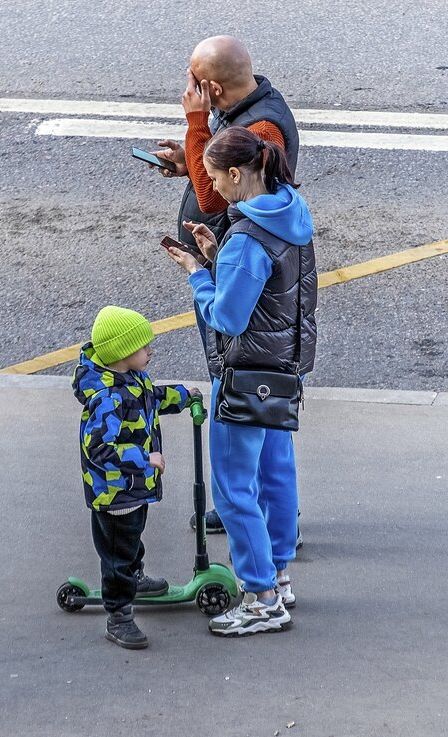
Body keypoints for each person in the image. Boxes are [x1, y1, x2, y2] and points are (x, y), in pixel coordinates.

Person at [164, 126, 317, 637]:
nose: (211, 189)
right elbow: (273, 292)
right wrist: (217, 256)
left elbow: (227, 317)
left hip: (245, 374)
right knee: (276, 475)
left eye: (212, 177)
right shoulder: (291, 214)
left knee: (233, 490)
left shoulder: (245, 239)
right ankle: (278, 572)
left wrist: (197, 271)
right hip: (283, 368)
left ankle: (261, 598)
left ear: (236, 174)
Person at [152, 35, 302, 539]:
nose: (192, 91)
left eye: (196, 84)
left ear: (212, 86)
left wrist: (202, 272)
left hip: (243, 299)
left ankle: (256, 527)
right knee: (269, 420)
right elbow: (213, 179)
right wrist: (188, 159)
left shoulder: (262, 125)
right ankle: (273, 529)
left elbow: (212, 201)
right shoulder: (246, 108)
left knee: (246, 400)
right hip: (242, 283)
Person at [71, 305, 199, 649]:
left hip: (131, 490)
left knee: (129, 540)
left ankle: (136, 577)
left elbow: (151, 398)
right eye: (144, 347)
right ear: (123, 353)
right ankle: (119, 614)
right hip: (114, 494)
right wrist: (145, 459)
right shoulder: (107, 398)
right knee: (117, 555)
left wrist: (184, 396)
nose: (150, 351)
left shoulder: (130, 380)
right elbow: (98, 449)